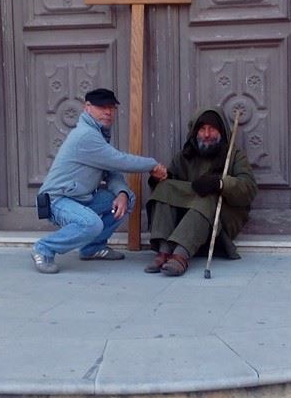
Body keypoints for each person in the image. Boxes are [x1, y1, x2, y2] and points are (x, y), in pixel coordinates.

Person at [32, 88, 167, 274]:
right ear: (87, 108)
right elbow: (119, 161)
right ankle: (44, 248)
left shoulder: (98, 135)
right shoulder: (86, 136)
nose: (108, 112)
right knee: (91, 224)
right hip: (57, 200)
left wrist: (121, 193)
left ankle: (93, 247)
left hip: (78, 198)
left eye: (112, 108)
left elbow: (111, 170)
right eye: (102, 107)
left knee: (128, 198)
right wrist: (153, 165)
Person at [145, 107, 257, 276]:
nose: (206, 134)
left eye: (212, 129)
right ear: (195, 132)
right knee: (166, 187)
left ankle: (180, 255)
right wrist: (158, 178)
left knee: (207, 197)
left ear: (221, 131)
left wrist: (220, 183)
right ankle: (165, 250)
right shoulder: (185, 156)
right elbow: (170, 186)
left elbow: (249, 188)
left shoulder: (233, 155)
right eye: (202, 129)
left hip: (219, 223)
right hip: (185, 221)